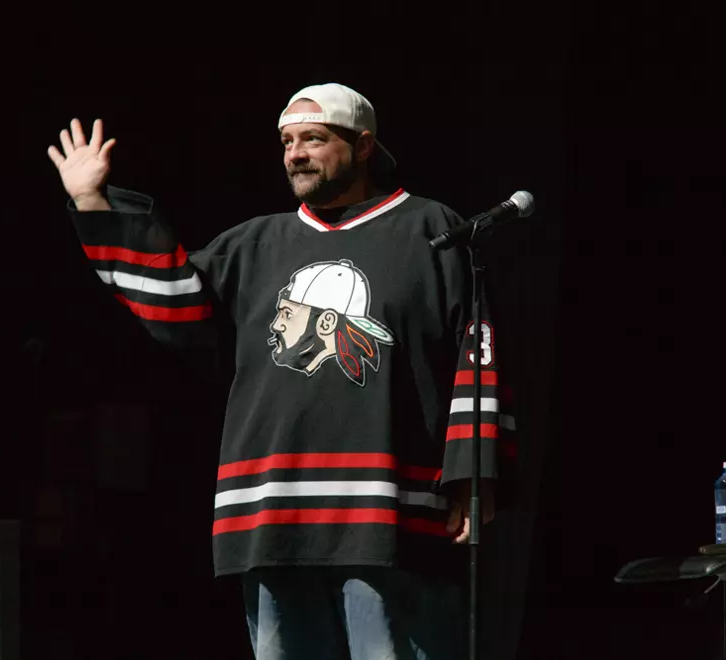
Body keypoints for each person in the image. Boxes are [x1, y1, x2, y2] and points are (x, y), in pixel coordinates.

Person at [47, 82, 517, 660]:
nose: (295, 153)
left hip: (384, 512)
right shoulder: (254, 243)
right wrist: (95, 205)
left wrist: (472, 469)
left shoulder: (430, 228)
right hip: (272, 506)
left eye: (313, 139)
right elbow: (176, 304)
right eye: (288, 141)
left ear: (364, 145)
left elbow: (475, 348)